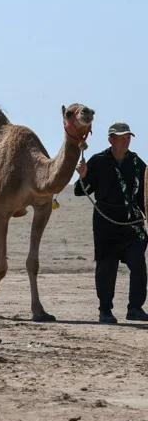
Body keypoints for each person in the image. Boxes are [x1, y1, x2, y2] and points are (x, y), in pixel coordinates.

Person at [74, 121, 148, 324]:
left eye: (128, 138)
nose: (126, 141)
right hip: (105, 223)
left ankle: (135, 308)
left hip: (130, 222)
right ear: (111, 140)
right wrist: (83, 175)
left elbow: (144, 194)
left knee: (139, 264)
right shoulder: (98, 161)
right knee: (106, 267)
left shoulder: (137, 162)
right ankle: (105, 310)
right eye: (122, 138)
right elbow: (80, 190)